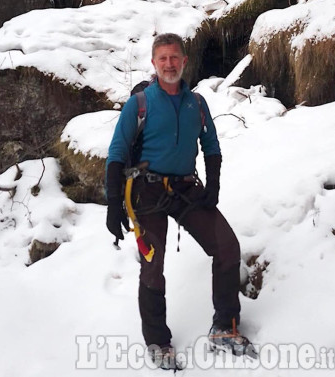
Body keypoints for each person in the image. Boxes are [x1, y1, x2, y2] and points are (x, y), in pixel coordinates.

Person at [104, 33, 254, 370]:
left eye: (175, 58)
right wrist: (114, 203)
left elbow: (211, 146)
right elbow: (116, 152)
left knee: (227, 247)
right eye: (163, 59)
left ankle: (225, 327)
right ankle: (158, 342)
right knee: (153, 267)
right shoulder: (140, 103)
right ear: (154, 64)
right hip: (147, 191)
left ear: (184, 61)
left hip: (187, 189)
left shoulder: (196, 104)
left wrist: (213, 186)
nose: (169, 64)